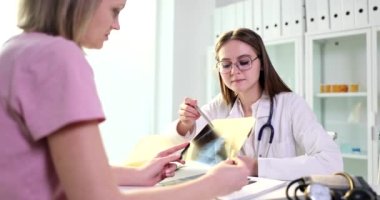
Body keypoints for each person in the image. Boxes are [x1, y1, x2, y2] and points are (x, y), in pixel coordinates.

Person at [0, 0, 250, 199]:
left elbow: (48, 170)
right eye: (114, 10)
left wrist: (137, 174)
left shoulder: (15, 51)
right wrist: (212, 186)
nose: (117, 25)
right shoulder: (58, 57)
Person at [173, 28, 344, 181]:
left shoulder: (290, 104)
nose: (234, 71)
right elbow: (182, 151)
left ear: (261, 63)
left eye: (244, 61)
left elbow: (332, 162)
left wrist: (256, 167)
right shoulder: (221, 105)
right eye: (226, 65)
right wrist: (185, 124)